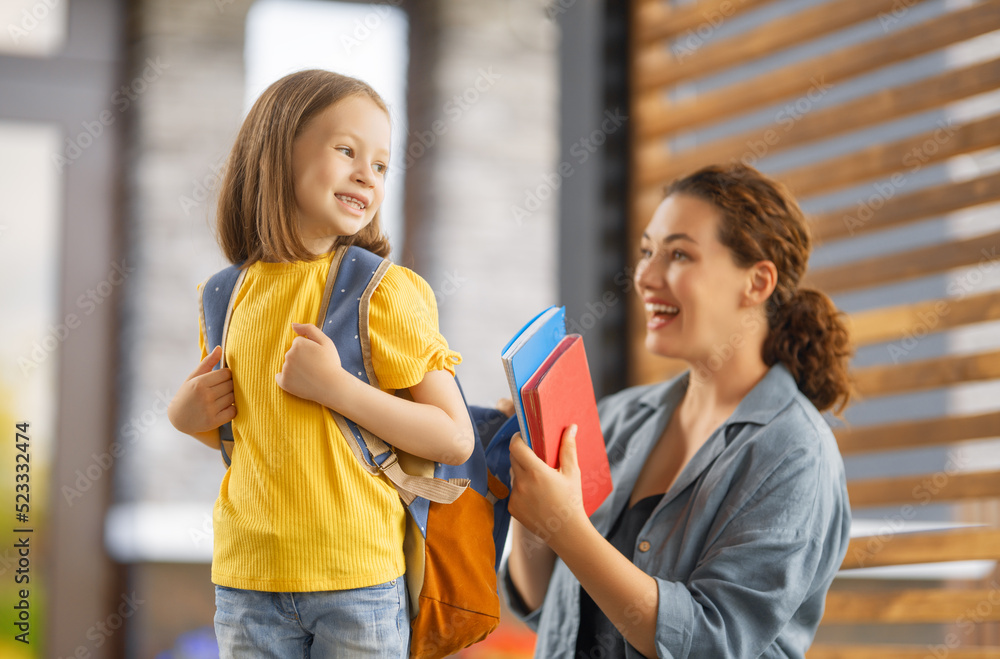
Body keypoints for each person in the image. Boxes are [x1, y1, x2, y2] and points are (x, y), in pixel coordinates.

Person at [166, 70, 474, 658]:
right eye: (346, 150)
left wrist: (335, 387)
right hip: (247, 582)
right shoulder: (223, 295)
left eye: (381, 165)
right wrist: (187, 418)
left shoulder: (383, 292)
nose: (367, 174)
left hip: (357, 583)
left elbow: (453, 439)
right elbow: (257, 430)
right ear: (277, 153)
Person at [502, 162, 853, 658]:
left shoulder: (795, 453)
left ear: (757, 282)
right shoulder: (620, 417)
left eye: (679, 254)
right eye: (646, 252)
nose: (644, 275)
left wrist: (570, 526)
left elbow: (711, 641)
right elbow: (542, 603)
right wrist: (531, 488)